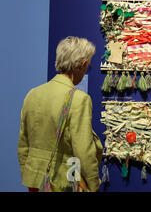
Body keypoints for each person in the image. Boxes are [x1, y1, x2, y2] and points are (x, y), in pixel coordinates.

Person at [18, 36, 103, 192]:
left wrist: (28, 174)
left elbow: (23, 144)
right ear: (82, 65)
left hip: (35, 182)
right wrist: (93, 184)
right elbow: (83, 151)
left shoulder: (32, 94)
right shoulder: (79, 99)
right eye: (87, 66)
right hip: (63, 182)